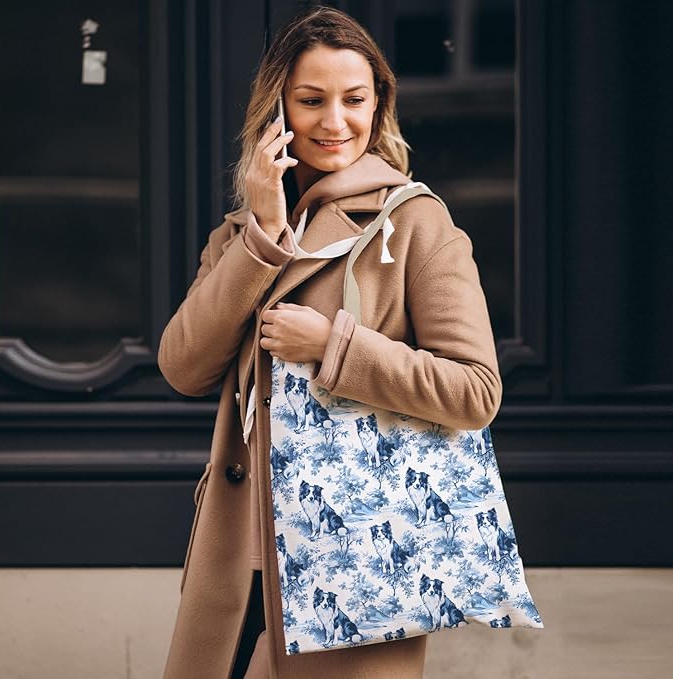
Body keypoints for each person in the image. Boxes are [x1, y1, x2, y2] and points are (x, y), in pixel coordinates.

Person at [158, 6, 502, 679]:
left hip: (351, 556)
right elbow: (182, 367)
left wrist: (333, 345)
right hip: (239, 560)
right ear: (278, 109)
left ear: (379, 106)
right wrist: (262, 235)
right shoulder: (240, 235)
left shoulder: (415, 222)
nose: (334, 121)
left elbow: (474, 390)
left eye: (354, 99)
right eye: (311, 100)